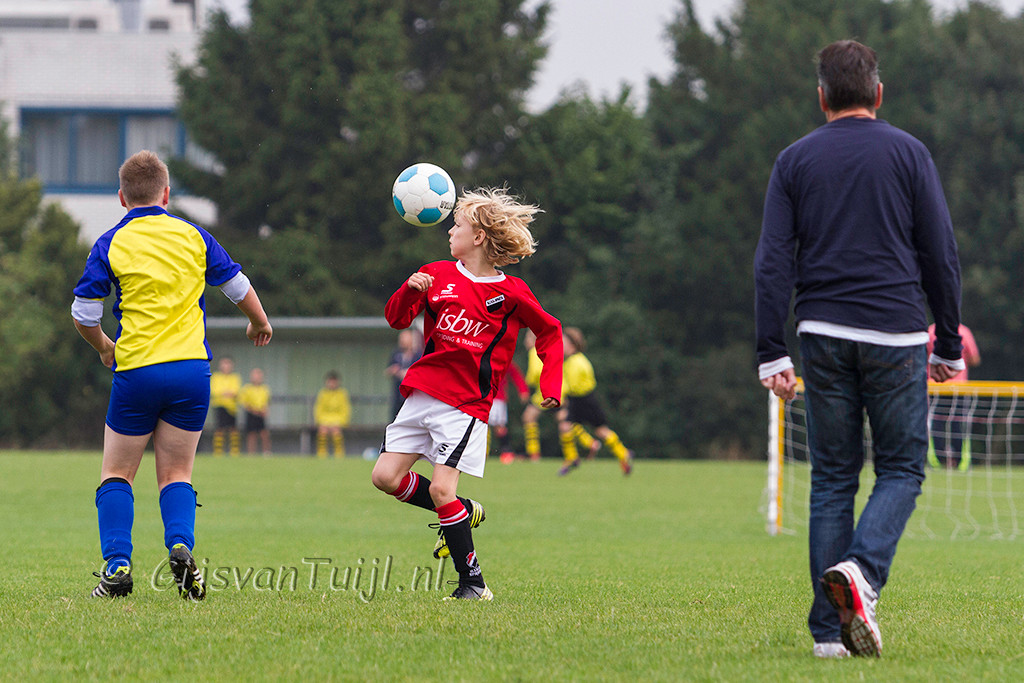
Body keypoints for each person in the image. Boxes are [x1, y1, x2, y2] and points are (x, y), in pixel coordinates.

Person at [754, 41, 964, 658]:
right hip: (896, 334)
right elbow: (940, 254)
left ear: (821, 96)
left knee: (832, 478)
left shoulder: (793, 160)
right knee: (902, 468)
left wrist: (772, 350)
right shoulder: (910, 153)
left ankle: (829, 636)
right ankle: (863, 572)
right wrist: (949, 341)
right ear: (878, 93)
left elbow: (772, 261)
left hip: (821, 333)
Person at [72, 150, 272, 600]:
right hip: (190, 372)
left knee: (117, 473)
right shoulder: (193, 235)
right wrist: (259, 322)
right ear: (166, 194)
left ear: (122, 197)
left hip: (137, 372)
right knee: (177, 472)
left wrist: (104, 347)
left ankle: (117, 566)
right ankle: (180, 546)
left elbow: (84, 314)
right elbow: (237, 285)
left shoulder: (110, 242)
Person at [370, 187, 563, 601]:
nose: (449, 232)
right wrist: (409, 288)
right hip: (421, 393)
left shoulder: (512, 292)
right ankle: (462, 512)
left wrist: (550, 384)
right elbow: (396, 319)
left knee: (441, 490)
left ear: (478, 237)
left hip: (465, 405)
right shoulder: (435, 274)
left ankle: (473, 584)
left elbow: (550, 331)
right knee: (384, 477)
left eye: (456, 225)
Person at [555, 327, 633, 477]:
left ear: (572, 345)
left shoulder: (577, 362)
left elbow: (573, 385)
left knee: (601, 431)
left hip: (585, 400)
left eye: (563, 342)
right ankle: (572, 458)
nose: (561, 345)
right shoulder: (571, 361)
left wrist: (562, 399)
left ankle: (623, 454)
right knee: (565, 426)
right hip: (577, 399)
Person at [926, 323, 981, 470]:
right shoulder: (963, 331)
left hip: (935, 385)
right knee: (958, 424)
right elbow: (974, 359)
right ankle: (960, 462)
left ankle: (937, 461)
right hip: (958, 386)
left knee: (935, 423)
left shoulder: (930, 331)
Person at [489, 361, 529, 463]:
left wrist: (523, 390)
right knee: (483, 426)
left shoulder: (503, 359)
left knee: (498, 427)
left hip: (497, 398)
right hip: (481, 397)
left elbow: (515, 374)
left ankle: (506, 452)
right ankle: (483, 453)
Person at [385, 329, 423, 420]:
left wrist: (408, 373)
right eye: (401, 338)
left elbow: (421, 373)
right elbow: (388, 371)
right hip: (398, 396)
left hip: (413, 396)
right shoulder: (396, 354)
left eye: (404, 338)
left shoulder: (418, 355)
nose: (402, 341)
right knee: (395, 419)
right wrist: (394, 371)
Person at [314, 371, 352, 458]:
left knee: (336, 431)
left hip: (338, 420)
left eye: (334, 382)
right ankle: (321, 454)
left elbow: (345, 410)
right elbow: (318, 410)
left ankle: (339, 454)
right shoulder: (323, 394)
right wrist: (321, 421)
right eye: (330, 381)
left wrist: (341, 422)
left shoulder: (342, 394)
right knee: (322, 431)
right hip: (325, 419)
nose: (332, 384)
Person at [210, 356, 241, 456]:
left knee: (233, 429)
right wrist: (226, 393)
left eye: (228, 364)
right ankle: (218, 451)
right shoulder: (216, 377)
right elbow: (214, 391)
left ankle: (234, 451)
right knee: (219, 428)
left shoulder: (235, 377)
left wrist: (225, 393)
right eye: (224, 364)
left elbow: (236, 391)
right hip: (219, 405)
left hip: (232, 407)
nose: (226, 366)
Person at [239, 367, 272, 456]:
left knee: (264, 433)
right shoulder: (247, 388)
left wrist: (265, 410)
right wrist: (253, 410)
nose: (257, 377)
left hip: (261, 414)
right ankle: (251, 453)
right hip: (251, 414)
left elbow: (267, 401)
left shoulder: (265, 388)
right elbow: (244, 403)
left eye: (259, 375)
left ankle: (266, 452)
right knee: (251, 434)